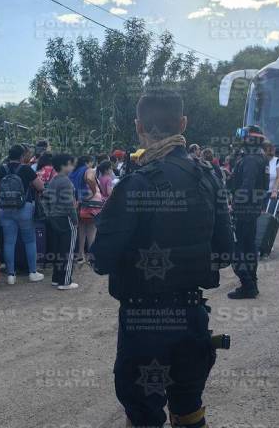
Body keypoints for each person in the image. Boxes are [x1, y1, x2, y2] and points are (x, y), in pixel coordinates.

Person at [92, 90, 233, 427]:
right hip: (192, 318)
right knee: (188, 408)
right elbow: (226, 251)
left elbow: (101, 260)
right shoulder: (209, 178)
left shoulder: (134, 184)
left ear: (139, 126)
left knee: (144, 414)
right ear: (183, 123)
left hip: (144, 325)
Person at [0, 144, 45, 285]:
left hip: (4, 210)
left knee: (9, 241)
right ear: (22, 156)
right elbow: (40, 186)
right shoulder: (26, 169)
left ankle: (11, 275)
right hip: (24, 209)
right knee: (29, 240)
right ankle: (33, 273)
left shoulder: (1, 169)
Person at [227, 126, 268, 299]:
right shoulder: (258, 157)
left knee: (237, 248)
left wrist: (234, 205)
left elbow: (247, 185)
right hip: (252, 208)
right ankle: (252, 283)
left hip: (244, 210)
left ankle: (248, 285)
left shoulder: (251, 159)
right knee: (249, 247)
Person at [42, 154, 79, 290]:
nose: (73, 167)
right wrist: (75, 221)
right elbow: (70, 205)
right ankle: (65, 281)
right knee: (68, 251)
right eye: (71, 164)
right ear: (64, 165)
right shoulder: (66, 182)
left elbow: (44, 199)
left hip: (54, 218)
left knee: (58, 250)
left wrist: (49, 214)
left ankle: (56, 279)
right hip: (66, 219)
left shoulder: (53, 181)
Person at [69, 155, 99, 264]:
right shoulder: (89, 170)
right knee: (91, 230)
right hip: (88, 202)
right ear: (88, 162)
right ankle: (91, 257)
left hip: (76, 203)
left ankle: (80, 255)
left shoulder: (73, 171)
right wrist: (94, 191)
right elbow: (90, 178)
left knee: (80, 230)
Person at [263, 141, 279, 212]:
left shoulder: (278, 161)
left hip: (273, 193)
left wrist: (275, 191)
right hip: (261, 193)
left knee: (269, 215)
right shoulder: (260, 161)